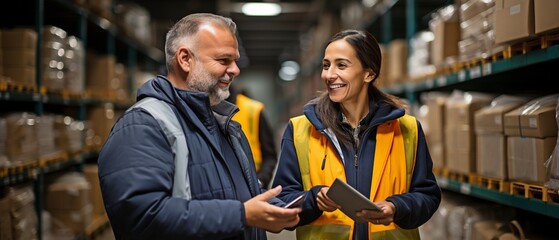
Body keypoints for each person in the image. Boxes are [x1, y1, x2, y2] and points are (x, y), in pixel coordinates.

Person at [97, 13, 300, 240]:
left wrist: (310, 202)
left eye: (235, 60)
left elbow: (244, 194)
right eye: (224, 60)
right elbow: (141, 217)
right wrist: (241, 215)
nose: (235, 70)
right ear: (185, 59)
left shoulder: (225, 125)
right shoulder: (143, 126)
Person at [271, 29, 441, 239]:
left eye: (341, 65)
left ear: (369, 73)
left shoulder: (407, 129)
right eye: (326, 65)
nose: (329, 75)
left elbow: (427, 195)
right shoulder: (300, 130)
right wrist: (314, 199)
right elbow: (281, 202)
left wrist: (396, 207)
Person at [227, 86, 278, 189]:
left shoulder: (252, 110)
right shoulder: (203, 109)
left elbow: (270, 156)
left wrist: (259, 182)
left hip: (254, 186)